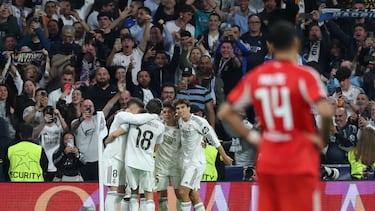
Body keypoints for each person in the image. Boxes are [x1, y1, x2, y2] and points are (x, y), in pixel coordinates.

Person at [217, 21, 333, 211]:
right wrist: (321, 140)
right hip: (300, 157)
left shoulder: (258, 76)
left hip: (270, 158)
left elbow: (224, 112)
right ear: (296, 44)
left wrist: (253, 137)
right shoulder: (306, 75)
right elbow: (326, 111)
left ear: (270, 46)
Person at [174, 99, 232, 211]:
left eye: (182, 107)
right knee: (192, 194)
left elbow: (214, 140)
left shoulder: (199, 122)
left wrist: (224, 157)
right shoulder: (179, 121)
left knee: (182, 192)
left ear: (188, 108)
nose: (180, 110)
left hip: (196, 163)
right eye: (178, 108)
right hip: (185, 163)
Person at [103, 98, 158, 211]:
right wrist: (154, 115)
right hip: (112, 157)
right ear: (131, 109)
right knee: (113, 189)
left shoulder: (131, 122)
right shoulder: (122, 115)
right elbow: (114, 134)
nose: (140, 115)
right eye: (138, 111)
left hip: (124, 159)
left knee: (121, 192)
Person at [125, 99, 165, 211]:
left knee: (133, 192)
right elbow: (155, 148)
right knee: (148, 195)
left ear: (146, 109)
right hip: (146, 162)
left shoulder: (135, 119)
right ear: (160, 112)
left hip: (130, 161)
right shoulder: (160, 126)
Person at [155, 101, 182, 211]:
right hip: (161, 166)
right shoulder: (159, 126)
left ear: (174, 113)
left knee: (180, 194)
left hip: (176, 166)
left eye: (169, 112)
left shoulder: (181, 128)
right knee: (161, 194)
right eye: (164, 112)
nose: (166, 114)